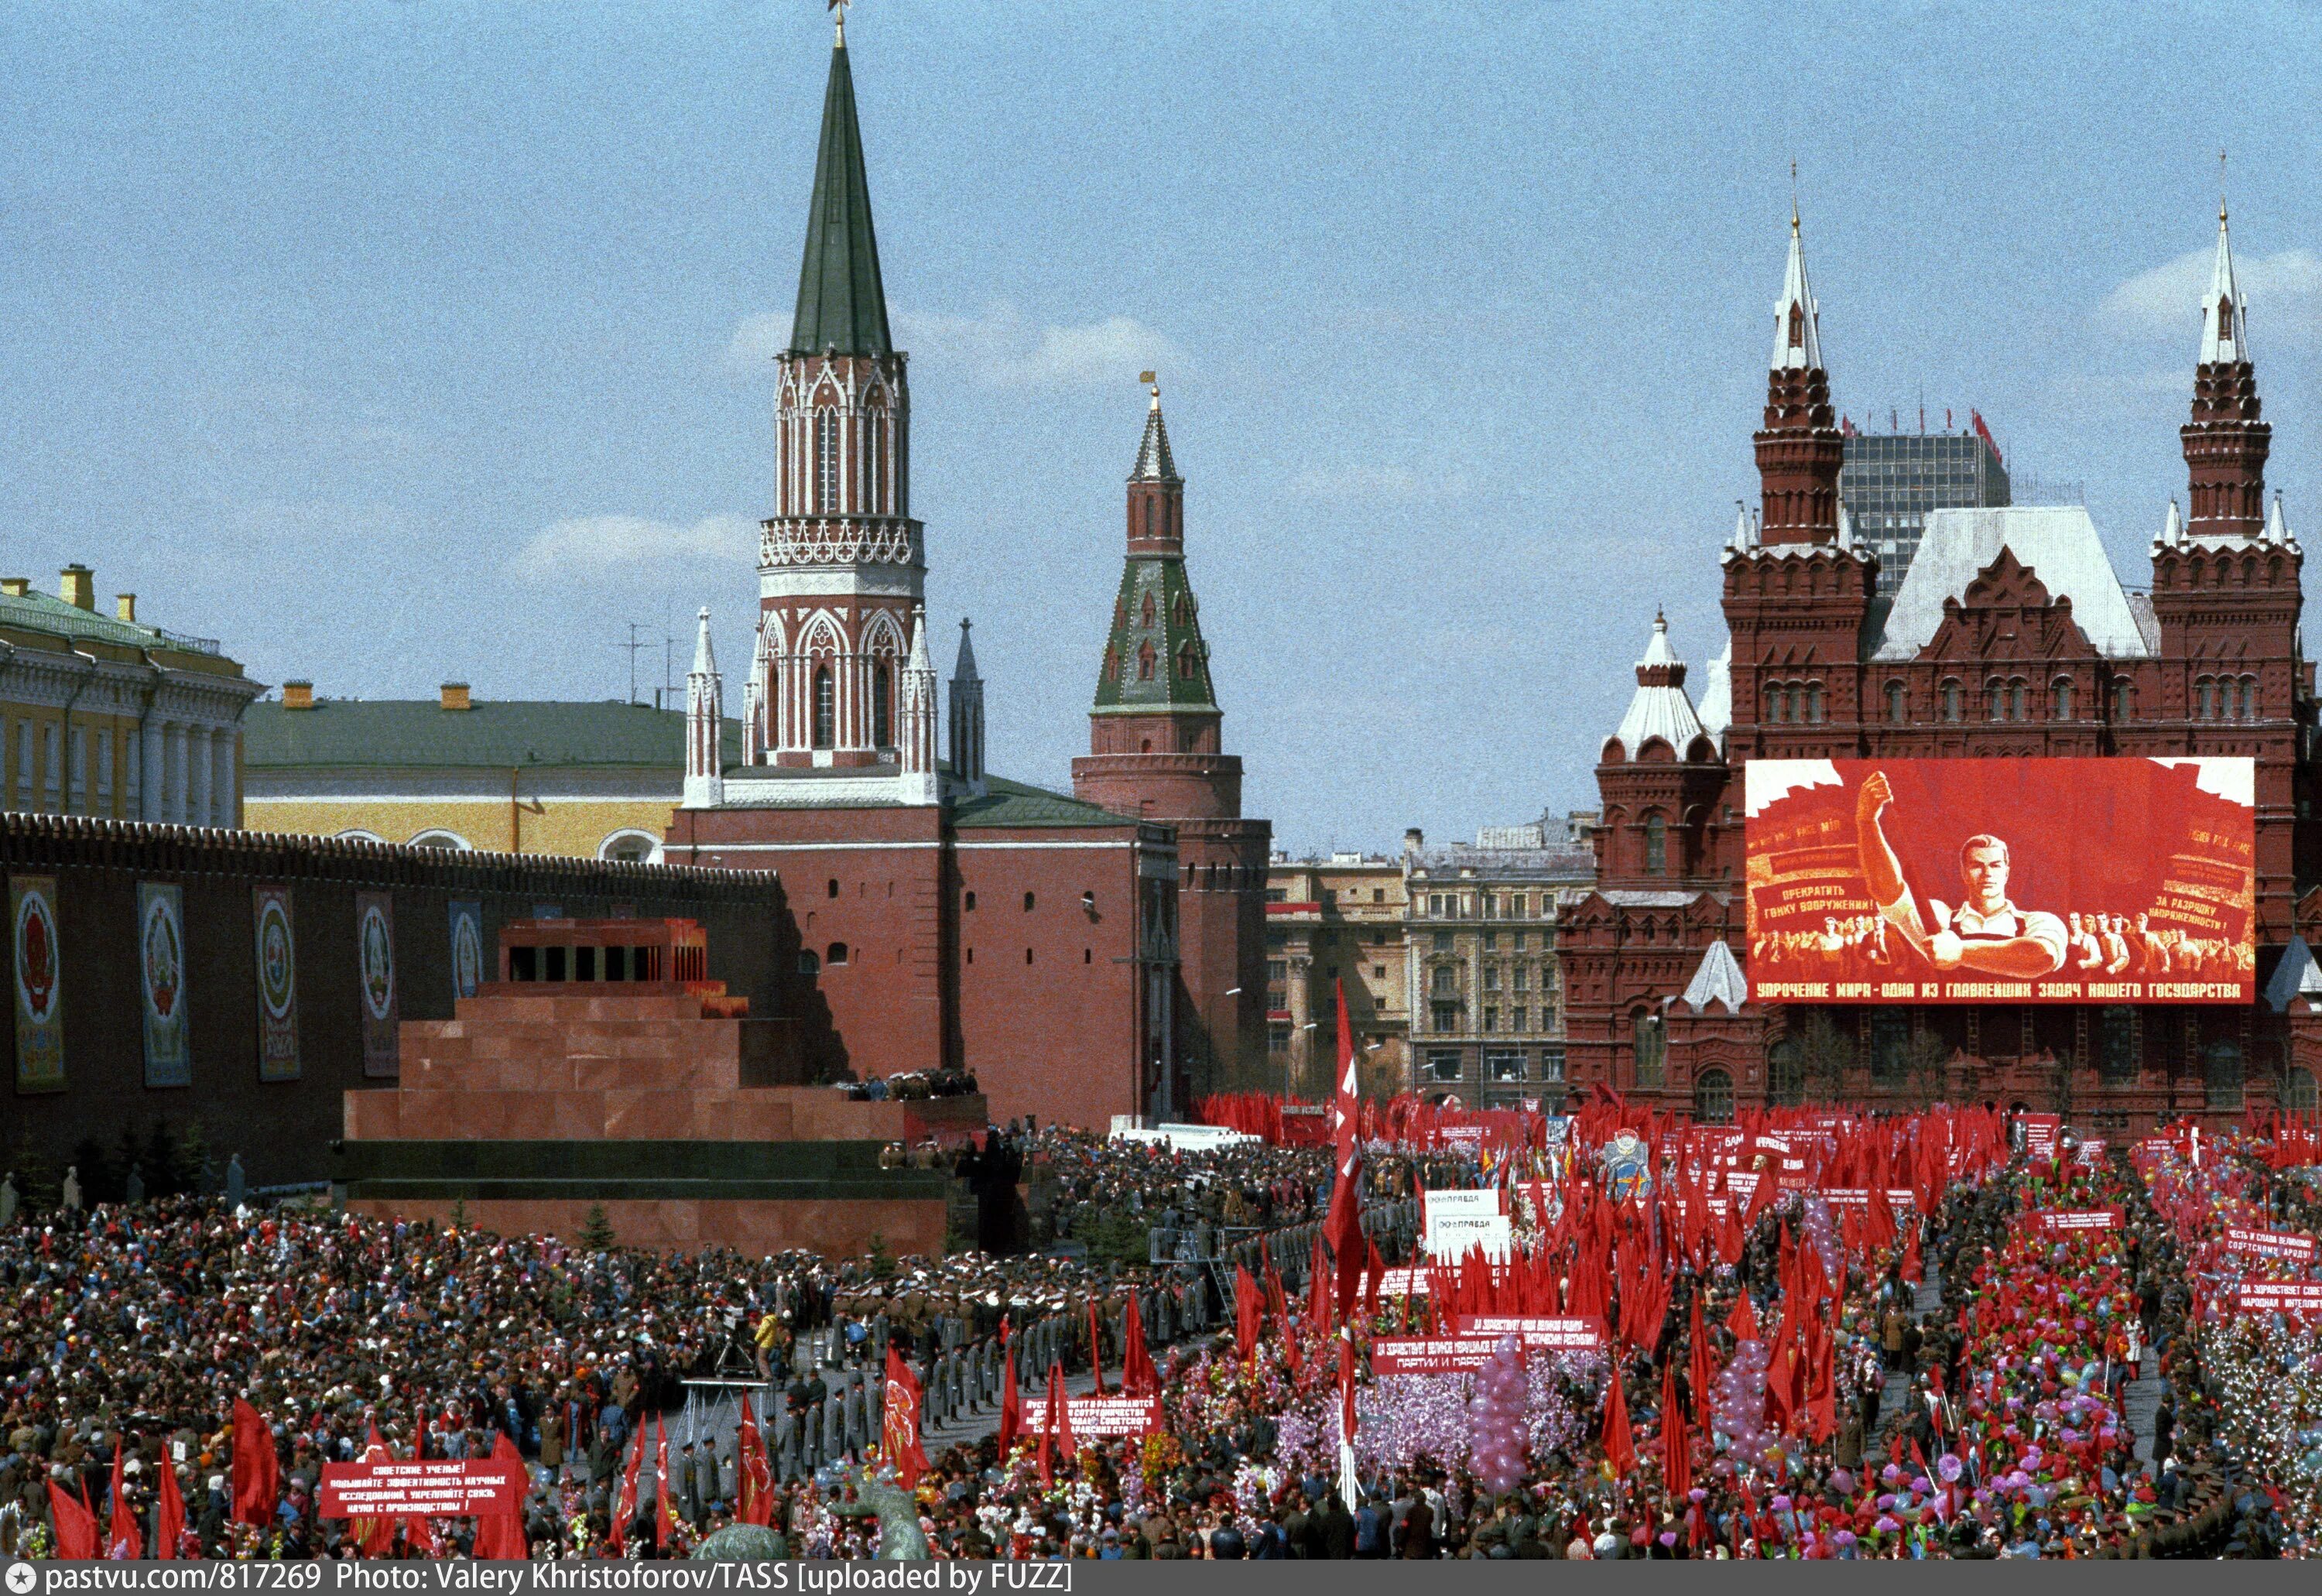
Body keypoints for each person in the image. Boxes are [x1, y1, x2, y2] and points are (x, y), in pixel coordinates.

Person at [1855, 771, 2067, 978]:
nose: (1986, 873)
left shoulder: (2040, 921)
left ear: (2006, 873)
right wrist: (1867, 822)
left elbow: (2041, 957)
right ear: (1964, 872)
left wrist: (1960, 952)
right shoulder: (1941, 919)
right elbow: (1888, 892)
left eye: (1995, 865)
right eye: (1977, 866)